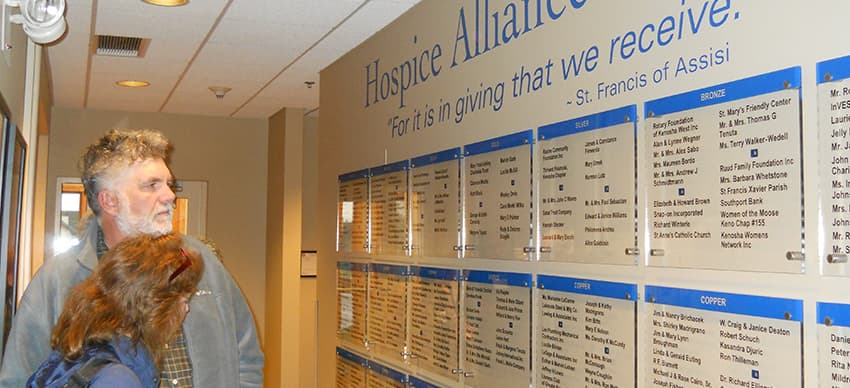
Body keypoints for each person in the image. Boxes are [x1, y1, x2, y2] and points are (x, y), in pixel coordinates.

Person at [0, 129, 264, 387]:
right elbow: (17, 377)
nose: (170, 196)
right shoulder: (57, 280)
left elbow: (247, 356)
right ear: (110, 201)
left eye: (169, 184)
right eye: (152, 185)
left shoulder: (200, 262)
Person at [27, 233, 204, 387]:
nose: (186, 309)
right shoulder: (118, 379)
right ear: (152, 306)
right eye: (184, 300)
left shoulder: (83, 351)